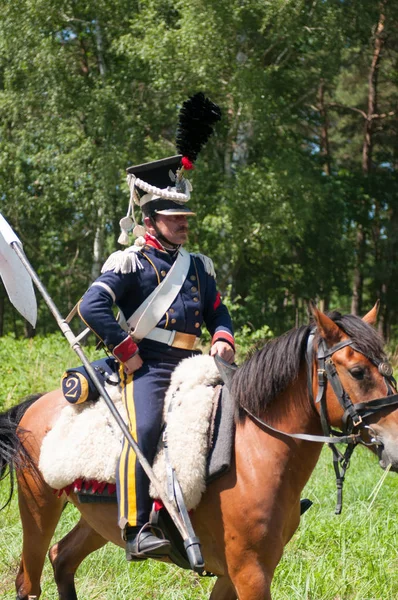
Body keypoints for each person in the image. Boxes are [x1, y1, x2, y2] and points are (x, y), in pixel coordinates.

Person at [78, 153, 235, 560]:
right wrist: (126, 351)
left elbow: (218, 310)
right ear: (150, 221)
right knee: (145, 429)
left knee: (242, 411)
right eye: (173, 217)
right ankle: (136, 526)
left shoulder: (198, 267)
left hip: (195, 363)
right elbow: (92, 307)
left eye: (184, 216)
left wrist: (223, 337)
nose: (183, 222)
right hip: (145, 365)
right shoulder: (130, 262)